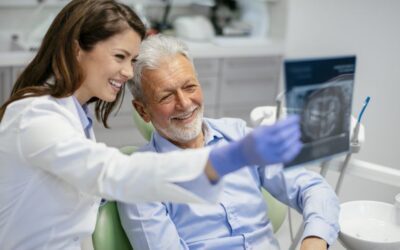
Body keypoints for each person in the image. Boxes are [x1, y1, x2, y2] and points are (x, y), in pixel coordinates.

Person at [0, 1, 303, 249]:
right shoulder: (35, 117)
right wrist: (230, 158)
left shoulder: (76, 119)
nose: (129, 73)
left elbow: (86, 184)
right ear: (78, 50)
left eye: (131, 60)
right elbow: (110, 173)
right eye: (120, 56)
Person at [118, 35, 340, 250]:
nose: (185, 104)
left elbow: (313, 187)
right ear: (142, 110)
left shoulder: (238, 135)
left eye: (189, 87)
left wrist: (314, 240)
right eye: (166, 96)